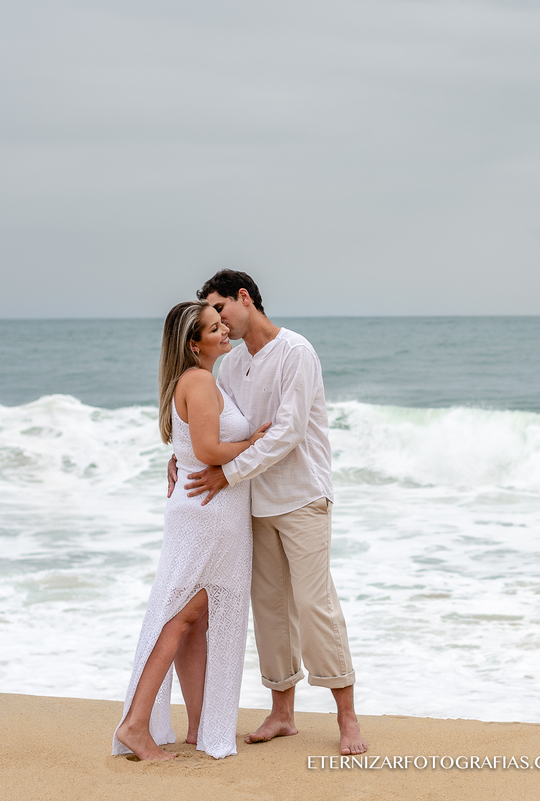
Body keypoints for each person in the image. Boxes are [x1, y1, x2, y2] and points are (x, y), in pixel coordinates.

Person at [171, 269, 368, 756]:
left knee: (315, 605)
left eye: (220, 309)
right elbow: (220, 425)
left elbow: (287, 432)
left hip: (302, 497)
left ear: (245, 298)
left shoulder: (296, 352)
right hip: (254, 505)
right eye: (211, 315)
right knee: (270, 610)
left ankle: (347, 718)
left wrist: (228, 474)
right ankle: (283, 713)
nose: (217, 321)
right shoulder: (231, 365)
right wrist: (182, 455)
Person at [113, 301, 269, 761]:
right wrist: (255, 443)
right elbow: (207, 448)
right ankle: (136, 724)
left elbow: (191, 445)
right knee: (184, 614)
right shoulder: (199, 381)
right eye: (215, 328)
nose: (225, 332)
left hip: (205, 509)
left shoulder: (199, 380)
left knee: (194, 617)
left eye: (224, 324)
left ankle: (199, 728)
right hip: (209, 510)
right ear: (193, 343)